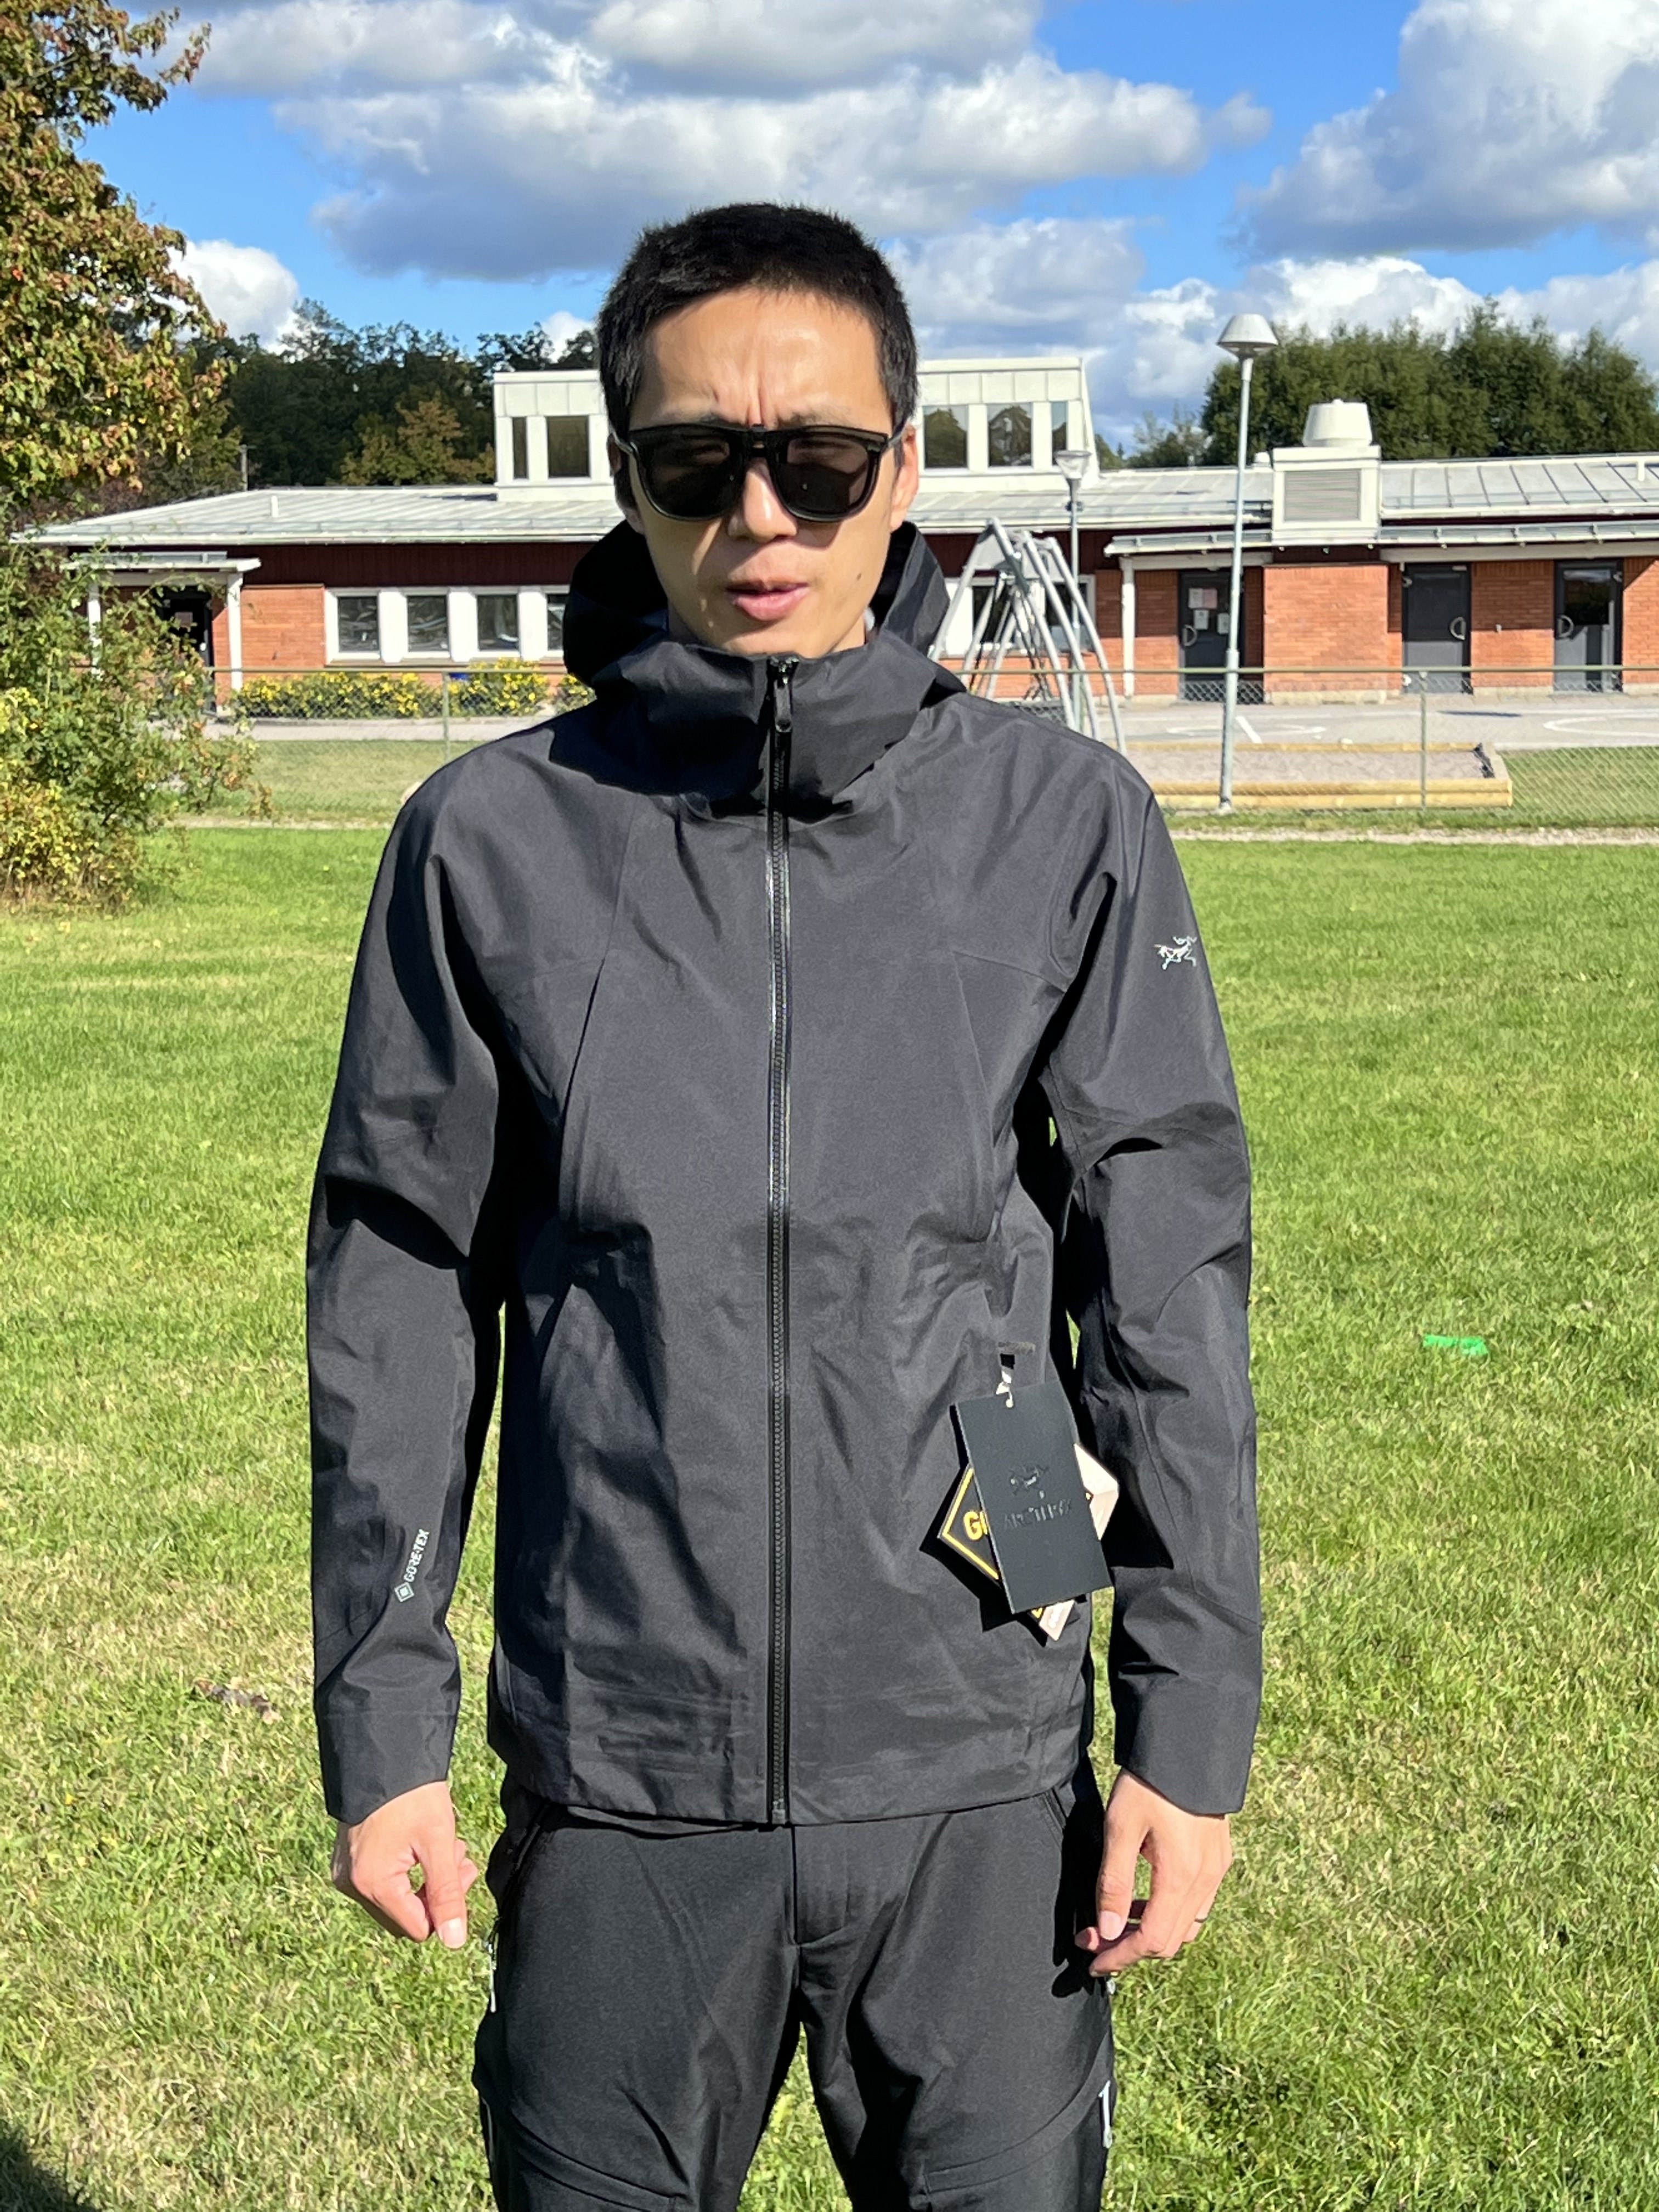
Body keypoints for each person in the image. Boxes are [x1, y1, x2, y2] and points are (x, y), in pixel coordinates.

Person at [310, 201, 1260, 2212]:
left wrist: (1186, 1728)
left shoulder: (1063, 826)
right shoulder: (484, 843)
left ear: (900, 470)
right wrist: (383, 1726)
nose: (762, 513)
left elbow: (1162, 1289)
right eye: (697, 462)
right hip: (624, 1759)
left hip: (976, 1749)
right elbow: (399, 1290)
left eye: (819, 459)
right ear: (625, 473)